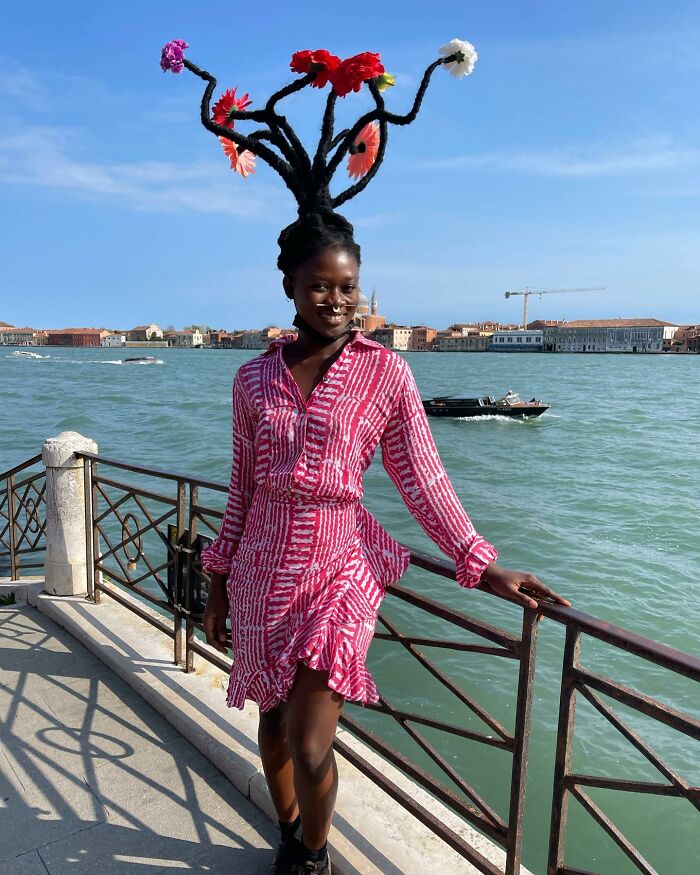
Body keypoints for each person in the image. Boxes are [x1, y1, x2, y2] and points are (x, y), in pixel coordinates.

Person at [161, 37, 570, 875]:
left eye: (348, 286)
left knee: (313, 742)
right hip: (262, 569)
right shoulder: (250, 379)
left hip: (341, 566)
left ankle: (312, 852)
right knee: (271, 726)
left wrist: (483, 565)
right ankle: (289, 836)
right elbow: (239, 491)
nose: (338, 300)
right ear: (289, 287)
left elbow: (423, 477)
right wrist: (215, 578)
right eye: (321, 285)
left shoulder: (386, 372)